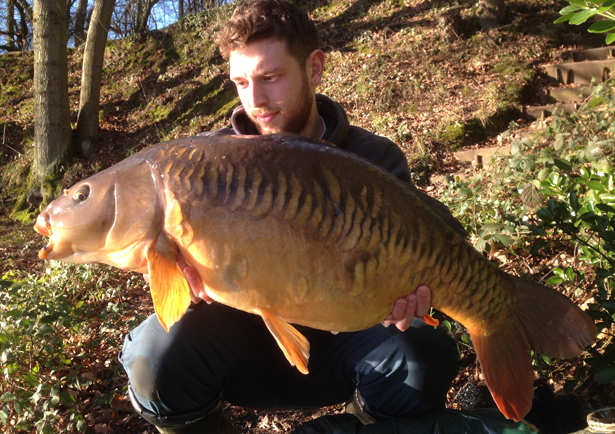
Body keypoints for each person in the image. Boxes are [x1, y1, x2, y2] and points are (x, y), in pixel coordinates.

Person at [118, 1, 462, 432]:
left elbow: (428, 261)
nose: (255, 100)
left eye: (270, 78)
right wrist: (183, 279)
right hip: (243, 345)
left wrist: (413, 303)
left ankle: (364, 423)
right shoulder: (203, 170)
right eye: (241, 82)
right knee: (154, 355)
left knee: (421, 353)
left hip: (348, 342)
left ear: (314, 68)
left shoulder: (374, 160)